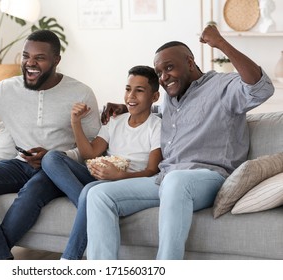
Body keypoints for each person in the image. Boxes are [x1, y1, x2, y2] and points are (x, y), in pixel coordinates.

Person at [88, 25, 275, 260]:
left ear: (189, 62)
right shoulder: (170, 99)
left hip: (209, 178)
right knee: (99, 196)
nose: (164, 77)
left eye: (169, 68)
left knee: (176, 182)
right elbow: (153, 110)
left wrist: (221, 43)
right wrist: (127, 107)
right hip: (166, 180)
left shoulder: (222, 87)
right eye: (159, 73)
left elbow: (262, 89)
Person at [0, 30, 101, 260]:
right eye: (25, 56)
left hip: (56, 170)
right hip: (21, 165)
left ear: (56, 61)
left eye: (39, 57)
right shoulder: (5, 90)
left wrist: (59, 156)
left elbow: (94, 147)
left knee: (32, 192)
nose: (30, 63)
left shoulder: (80, 93)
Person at [41, 65, 163, 260]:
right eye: (128, 89)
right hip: (100, 176)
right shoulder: (115, 121)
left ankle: (68, 260)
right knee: (51, 158)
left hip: (127, 182)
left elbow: (152, 171)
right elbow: (90, 154)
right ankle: (88, 204)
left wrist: (121, 175)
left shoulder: (156, 127)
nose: (131, 96)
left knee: (91, 192)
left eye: (139, 91)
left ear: (155, 97)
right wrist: (75, 123)